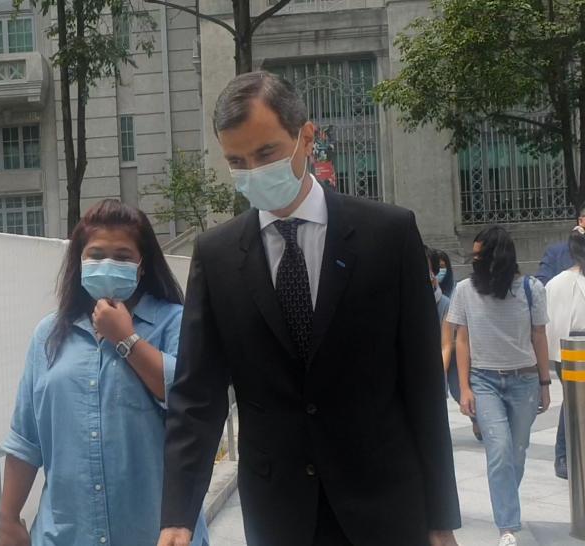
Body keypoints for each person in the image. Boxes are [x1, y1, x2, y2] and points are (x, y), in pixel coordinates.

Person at [158, 71, 461, 546]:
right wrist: (177, 515)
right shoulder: (217, 256)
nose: (254, 172)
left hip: (385, 503)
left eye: (266, 154)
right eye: (237, 161)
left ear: (307, 137)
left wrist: (440, 518)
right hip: (280, 512)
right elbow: (197, 397)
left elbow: (422, 384)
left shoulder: (388, 235)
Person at [0, 199, 209, 546]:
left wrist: (125, 339)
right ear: (79, 262)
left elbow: (188, 398)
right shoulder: (49, 335)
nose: (107, 265)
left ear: (142, 267)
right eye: (95, 255)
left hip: (156, 534)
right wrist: (8, 519)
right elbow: (25, 438)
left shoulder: (175, 322)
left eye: (123, 257)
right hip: (66, 534)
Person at [447, 226, 552, 546]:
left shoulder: (532, 289)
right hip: (485, 379)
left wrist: (546, 383)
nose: (475, 261)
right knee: (500, 449)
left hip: (525, 379)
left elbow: (538, 336)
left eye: (481, 256)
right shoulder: (465, 290)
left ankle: (507, 500)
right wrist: (464, 387)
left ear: (500, 257)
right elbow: (461, 339)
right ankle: (508, 525)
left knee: (517, 453)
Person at [536, 210, 585, 479]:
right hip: (568, 340)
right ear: (580, 221)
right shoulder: (558, 253)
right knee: (573, 400)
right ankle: (564, 454)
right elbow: (542, 286)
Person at [430, 249, 482, 442]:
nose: (440, 271)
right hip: (440, 350)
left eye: (444, 267)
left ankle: (477, 418)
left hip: (452, 350)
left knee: (459, 388)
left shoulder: (452, 294)